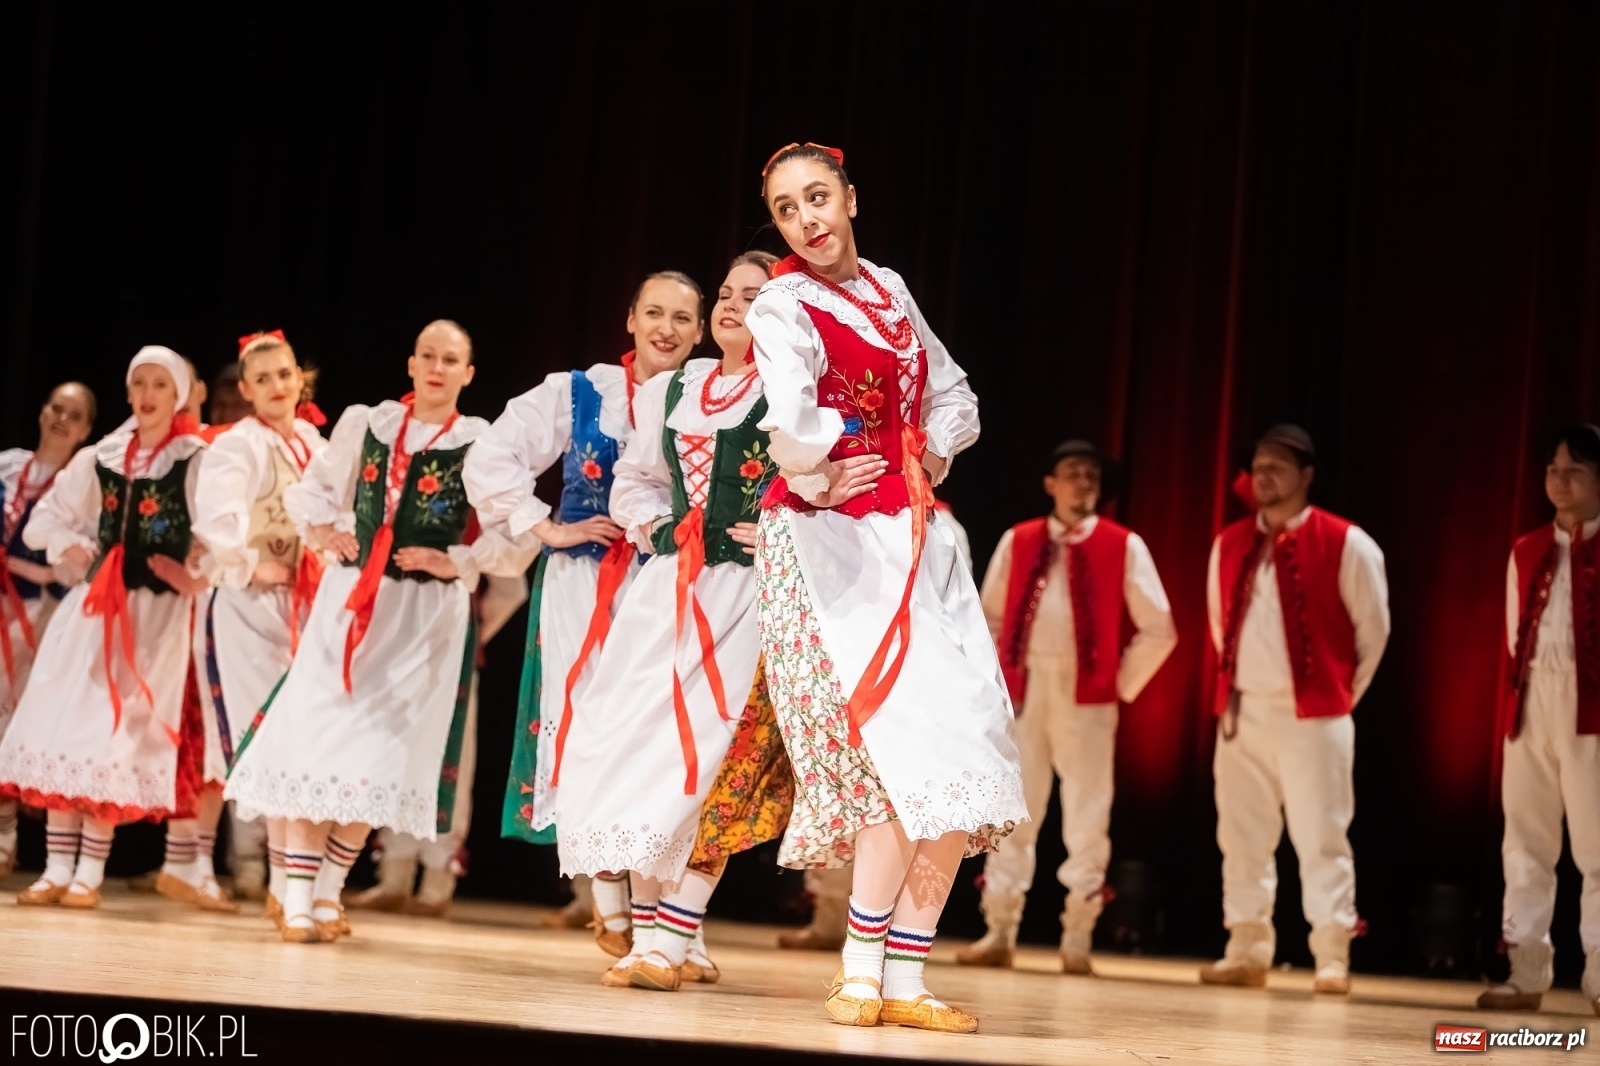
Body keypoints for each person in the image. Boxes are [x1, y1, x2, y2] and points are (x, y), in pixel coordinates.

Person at [747, 142, 1027, 1033]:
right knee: (895, 760)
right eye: (788, 210)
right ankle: (861, 969)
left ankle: (905, 975)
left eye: (819, 197)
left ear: (852, 197)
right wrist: (829, 458)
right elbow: (789, 418)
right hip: (835, 548)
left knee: (963, 757)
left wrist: (933, 447)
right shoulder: (785, 302)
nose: (808, 220)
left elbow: (951, 392)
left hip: (914, 541)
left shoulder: (890, 289)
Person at [224, 320, 534, 942]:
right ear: (411, 363)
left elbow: (518, 531)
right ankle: (300, 898)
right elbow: (314, 493)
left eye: (451, 359)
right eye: (428, 356)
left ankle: (327, 895)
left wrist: (463, 561)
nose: (437, 367)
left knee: (381, 763)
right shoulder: (367, 424)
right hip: (352, 603)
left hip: (424, 620)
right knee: (323, 745)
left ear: (468, 374)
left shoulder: (479, 442)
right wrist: (322, 533)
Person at [552, 253, 788, 992]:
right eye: (726, 293)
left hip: (747, 597)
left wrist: (781, 528)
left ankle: (671, 934)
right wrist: (652, 525)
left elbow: (820, 486)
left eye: (753, 297)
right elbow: (638, 480)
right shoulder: (673, 390)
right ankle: (658, 935)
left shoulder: (791, 395)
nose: (731, 306)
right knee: (639, 747)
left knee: (716, 760)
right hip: (669, 591)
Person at [441, 271, 700, 929]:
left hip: (670, 584)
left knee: (653, 738)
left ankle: (661, 917)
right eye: (654, 313)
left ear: (700, 332)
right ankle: (607, 895)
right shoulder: (580, 391)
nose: (666, 329)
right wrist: (545, 524)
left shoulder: (707, 401)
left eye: (681, 318)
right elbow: (491, 458)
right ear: (631, 319)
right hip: (584, 583)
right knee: (585, 726)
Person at [0, 347, 207, 909]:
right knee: (64, 728)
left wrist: (196, 574)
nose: (148, 393)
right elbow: (50, 518)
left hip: (154, 618)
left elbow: (222, 536)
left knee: (115, 738)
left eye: (160, 384)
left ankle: (89, 870)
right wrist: (70, 545)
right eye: (139, 381)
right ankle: (56, 867)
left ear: (179, 395)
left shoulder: (195, 459)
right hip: (95, 608)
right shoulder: (105, 455)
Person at [959, 439, 1176, 973]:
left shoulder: (1124, 545)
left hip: (1086, 697)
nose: (1084, 483)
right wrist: (996, 684)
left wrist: (1116, 683)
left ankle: (1077, 934)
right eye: (1073, 473)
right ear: (1050, 484)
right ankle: (1000, 929)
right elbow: (987, 617)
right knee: (1013, 809)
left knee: (1087, 812)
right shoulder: (1020, 539)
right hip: (1026, 690)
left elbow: (1160, 628)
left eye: (1092, 476)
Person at [1201, 424, 1389, 994]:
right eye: (1258, 465)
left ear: (1306, 475)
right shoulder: (1230, 542)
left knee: (1322, 835)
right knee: (1241, 835)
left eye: (1278, 465)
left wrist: (1335, 698)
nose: (1264, 474)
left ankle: (1331, 955)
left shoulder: (1347, 542)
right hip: (1244, 713)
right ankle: (1247, 947)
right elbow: (1216, 623)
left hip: (1316, 715)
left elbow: (1373, 633)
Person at [776, 498, 973, 952]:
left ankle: (888, 943)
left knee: (897, 804)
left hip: (908, 675)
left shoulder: (938, 519)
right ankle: (831, 920)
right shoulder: (826, 511)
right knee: (844, 795)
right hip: (846, 663)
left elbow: (951, 606)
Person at [178, 331, 328, 918]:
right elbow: (216, 521)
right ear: (245, 390)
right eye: (261, 379)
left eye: (284, 375)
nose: (275, 387)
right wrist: (247, 561)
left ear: (300, 380)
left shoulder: (315, 442)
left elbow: (335, 511)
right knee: (262, 737)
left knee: (299, 740)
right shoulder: (236, 446)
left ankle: (288, 885)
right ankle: (275, 880)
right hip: (245, 609)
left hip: (305, 606)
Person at [1479, 424, 1600, 1017]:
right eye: (1553, 470)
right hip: (1531, 707)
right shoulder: (1526, 549)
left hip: (1593, 712)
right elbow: (1512, 636)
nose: (1561, 480)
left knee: (1598, 850)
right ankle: (1525, 972)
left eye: (1574, 469)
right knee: (1525, 843)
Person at [347, 572, 527, 917]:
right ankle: (394, 878)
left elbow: (509, 582)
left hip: (452, 627)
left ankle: (436, 881)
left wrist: (476, 627)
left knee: (450, 755)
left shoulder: (484, 517)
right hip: (402, 628)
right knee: (398, 751)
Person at [0, 382, 98, 878]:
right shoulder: (8, 467)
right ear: (42, 412)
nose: (61, 418)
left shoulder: (81, 486)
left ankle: (15, 842)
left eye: (74, 414)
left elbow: (78, 561)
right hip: (2, 609)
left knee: (26, 722)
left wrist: (32, 570)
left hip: (45, 617)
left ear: (84, 431)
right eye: (56, 407)